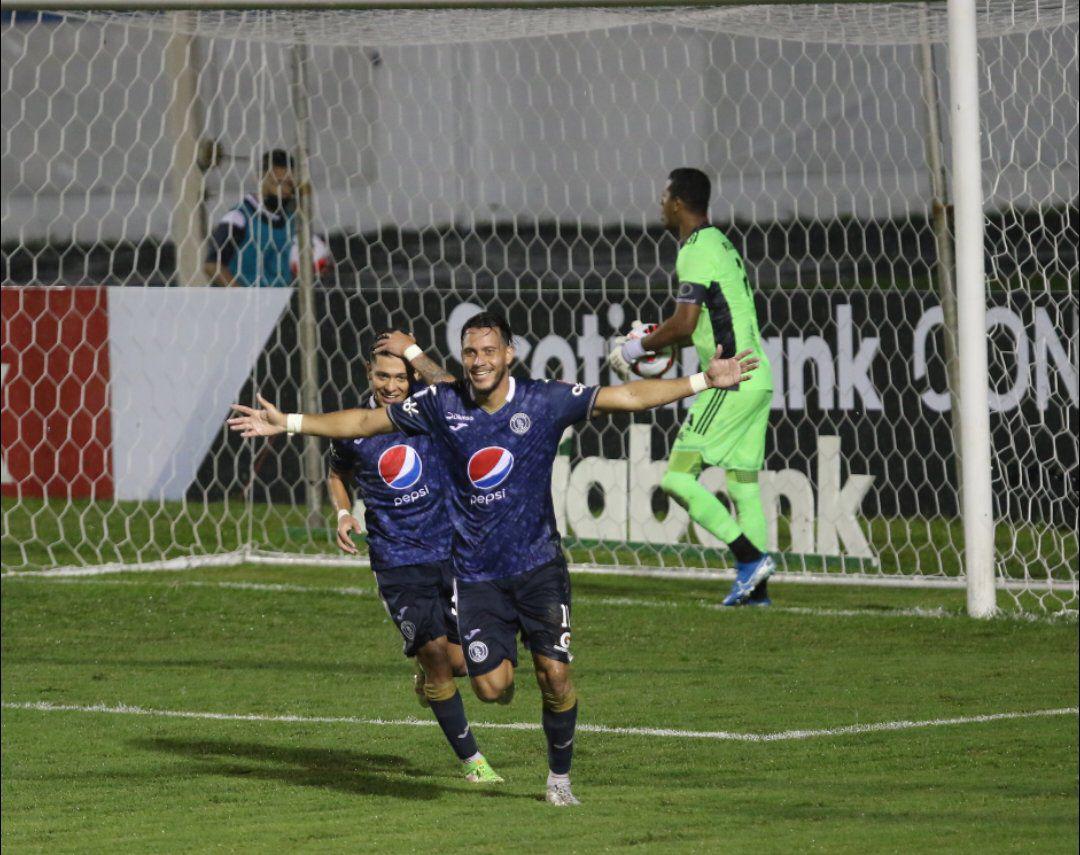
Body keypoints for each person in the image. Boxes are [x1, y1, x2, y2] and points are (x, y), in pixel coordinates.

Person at [229, 310, 758, 806]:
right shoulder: (442, 404)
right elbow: (365, 427)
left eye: (488, 351)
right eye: (470, 352)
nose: (478, 361)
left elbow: (627, 397)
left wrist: (703, 382)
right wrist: (292, 422)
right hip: (476, 576)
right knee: (491, 688)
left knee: (554, 677)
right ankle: (487, 680)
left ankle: (559, 779)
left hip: (538, 566)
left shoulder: (543, 400)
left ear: (510, 354)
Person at [325, 336, 501, 784]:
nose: (390, 386)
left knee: (464, 665)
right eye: (382, 376)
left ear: (411, 377)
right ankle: (473, 763)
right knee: (438, 658)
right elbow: (337, 471)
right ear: (369, 375)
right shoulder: (358, 424)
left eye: (399, 377)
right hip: (396, 559)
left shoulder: (432, 409)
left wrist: (414, 351)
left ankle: (426, 678)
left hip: (452, 551)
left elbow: (460, 390)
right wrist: (344, 513)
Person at [607, 167, 775, 607]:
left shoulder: (695, 251)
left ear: (678, 202)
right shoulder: (721, 243)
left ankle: (749, 559)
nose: (660, 204)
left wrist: (634, 349)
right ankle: (757, 595)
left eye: (664, 196)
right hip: (758, 378)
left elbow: (684, 322)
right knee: (743, 485)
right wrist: (655, 345)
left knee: (677, 479)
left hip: (732, 378)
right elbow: (694, 328)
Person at [203, 149, 328, 288]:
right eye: (278, 183)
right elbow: (212, 265)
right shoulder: (239, 218)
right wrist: (240, 297)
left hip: (278, 304)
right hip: (243, 304)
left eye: (289, 184)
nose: (285, 190)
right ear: (261, 178)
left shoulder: (292, 221)